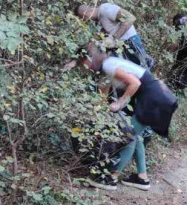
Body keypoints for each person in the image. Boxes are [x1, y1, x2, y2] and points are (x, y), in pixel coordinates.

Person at [75, 43, 178, 191]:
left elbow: (135, 83)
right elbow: (103, 96)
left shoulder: (109, 65)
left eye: (82, 63)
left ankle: (111, 177)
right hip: (157, 96)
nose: (83, 67)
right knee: (135, 136)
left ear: (89, 58)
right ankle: (142, 178)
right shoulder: (106, 68)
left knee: (128, 135)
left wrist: (120, 103)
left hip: (154, 98)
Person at [75, 3, 151, 68]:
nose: (84, 20)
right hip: (119, 46)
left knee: (142, 69)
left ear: (87, 12)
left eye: (83, 17)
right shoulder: (98, 21)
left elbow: (130, 18)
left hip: (130, 41)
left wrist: (114, 38)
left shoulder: (105, 10)